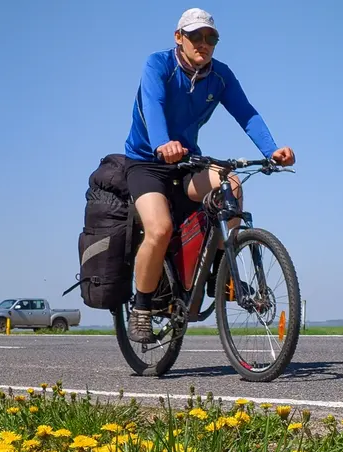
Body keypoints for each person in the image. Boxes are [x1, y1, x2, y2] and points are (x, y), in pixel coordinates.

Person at [122, 8, 295, 343]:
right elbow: (153, 105)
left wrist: (271, 150)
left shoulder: (220, 76)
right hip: (147, 163)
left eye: (211, 38)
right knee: (159, 229)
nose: (203, 43)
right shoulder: (158, 65)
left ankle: (220, 269)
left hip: (185, 163)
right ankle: (142, 308)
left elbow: (246, 113)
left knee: (230, 184)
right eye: (195, 36)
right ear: (179, 38)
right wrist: (161, 144)